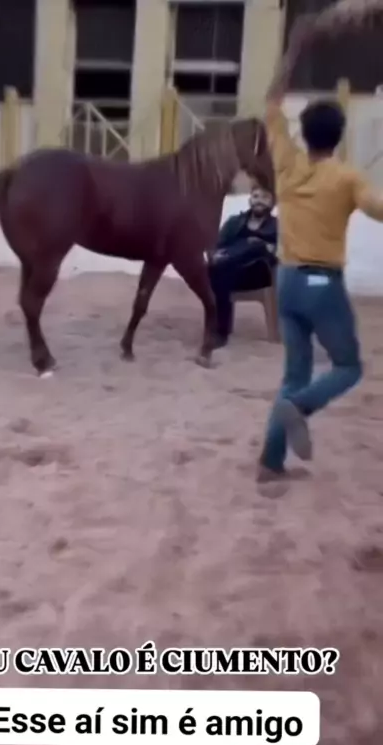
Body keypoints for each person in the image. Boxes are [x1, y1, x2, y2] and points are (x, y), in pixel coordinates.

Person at [257, 17, 383, 483]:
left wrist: (293, 53)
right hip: (321, 284)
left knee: (294, 374)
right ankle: (301, 408)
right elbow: (378, 209)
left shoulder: (286, 164)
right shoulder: (348, 177)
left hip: (286, 281)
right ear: (340, 134)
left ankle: (270, 464)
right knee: (347, 367)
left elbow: (271, 103)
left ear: (304, 132)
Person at [208, 185, 278, 345]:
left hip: (258, 275)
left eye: (264, 197)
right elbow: (216, 245)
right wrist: (218, 255)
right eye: (255, 196)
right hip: (231, 272)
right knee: (220, 274)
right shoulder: (234, 222)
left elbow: (282, 252)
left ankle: (224, 261)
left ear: (272, 202)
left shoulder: (277, 226)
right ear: (250, 200)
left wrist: (268, 247)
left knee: (255, 245)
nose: (259, 201)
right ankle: (222, 332)